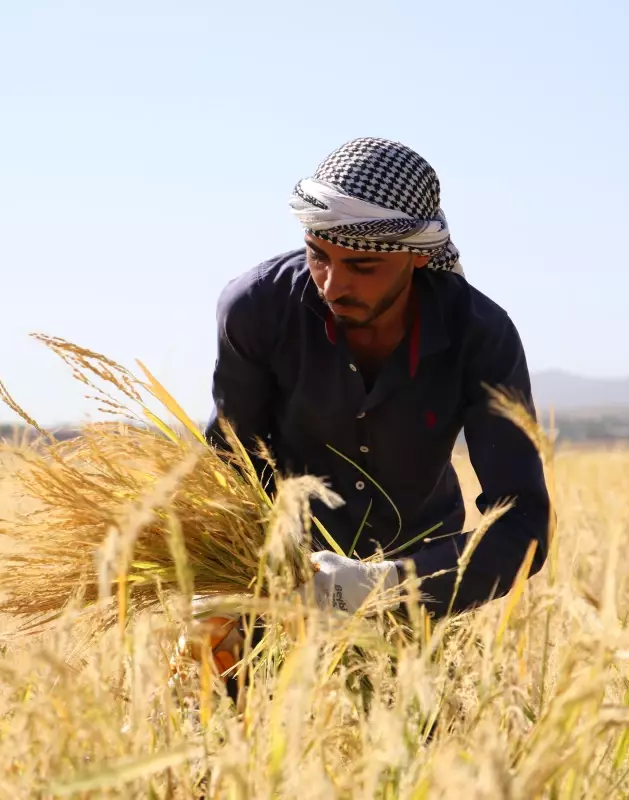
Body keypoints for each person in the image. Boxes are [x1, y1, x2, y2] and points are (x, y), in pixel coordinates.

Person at [199, 137, 551, 668]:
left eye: (362, 266)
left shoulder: (480, 335)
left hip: (417, 587)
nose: (334, 285)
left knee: (416, 742)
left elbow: (523, 524)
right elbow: (232, 469)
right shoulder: (256, 309)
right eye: (319, 257)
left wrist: (382, 585)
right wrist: (213, 590)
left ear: (416, 257)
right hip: (273, 588)